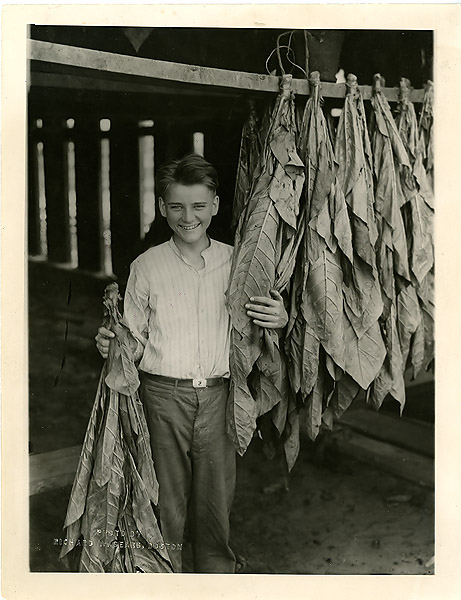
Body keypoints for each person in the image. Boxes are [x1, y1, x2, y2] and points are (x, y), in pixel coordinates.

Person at [95, 154, 288, 573]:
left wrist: (280, 318)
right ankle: (166, 574)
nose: (188, 217)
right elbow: (133, 338)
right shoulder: (146, 267)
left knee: (216, 496)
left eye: (199, 206)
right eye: (177, 206)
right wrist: (109, 341)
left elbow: (267, 319)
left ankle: (216, 574)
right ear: (163, 208)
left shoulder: (240, 262)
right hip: (163, 395)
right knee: (166, 495)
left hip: (221, 395)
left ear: (215, 206)